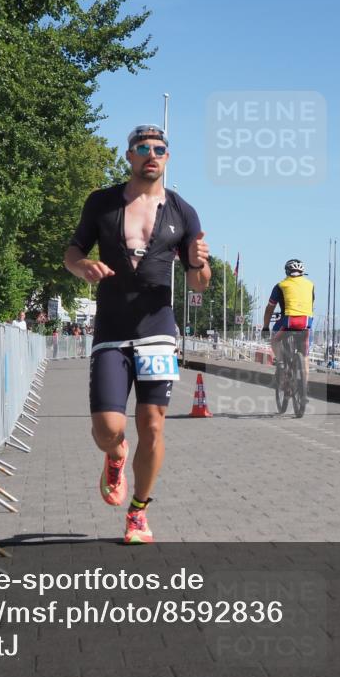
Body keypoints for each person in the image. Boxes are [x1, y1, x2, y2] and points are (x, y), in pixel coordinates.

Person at [64, 123, 210, 544]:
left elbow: (199, 283)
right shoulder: (102, 203)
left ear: (167, 157)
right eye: (143, 147)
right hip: (111, 330)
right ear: (129, 155)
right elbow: (72, 252)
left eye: (159, 148)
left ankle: (139, 513)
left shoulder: (182, 212)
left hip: (158, 332)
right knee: (108, 428)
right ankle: (115, 455)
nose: (152, 154)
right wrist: (81, 266)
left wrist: (200, 263)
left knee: (153, 424)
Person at [261, 259, 315, 381]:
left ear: (287, 272)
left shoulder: (280, 286)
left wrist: (265, 327)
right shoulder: (310, 285)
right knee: (305, 356)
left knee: (274, 339)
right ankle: (304, 391)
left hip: (288, 321)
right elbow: (311, 305)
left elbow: (270, 308)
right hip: (306, 323)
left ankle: (280, 360)